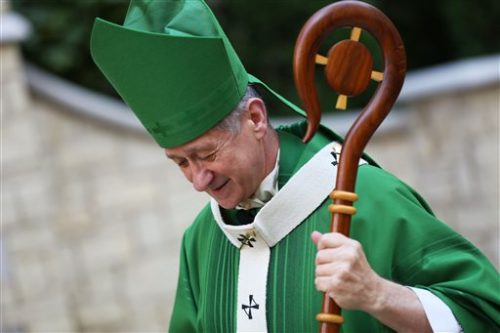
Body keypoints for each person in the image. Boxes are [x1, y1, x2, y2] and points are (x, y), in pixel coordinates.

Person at [91, 1, 499, 332]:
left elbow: (483, 315)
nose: (198, 180)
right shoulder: (201, 239)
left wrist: (378, 295)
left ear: (255, 119)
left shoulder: (369, 199)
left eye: (208, 154)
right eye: (180, 162)